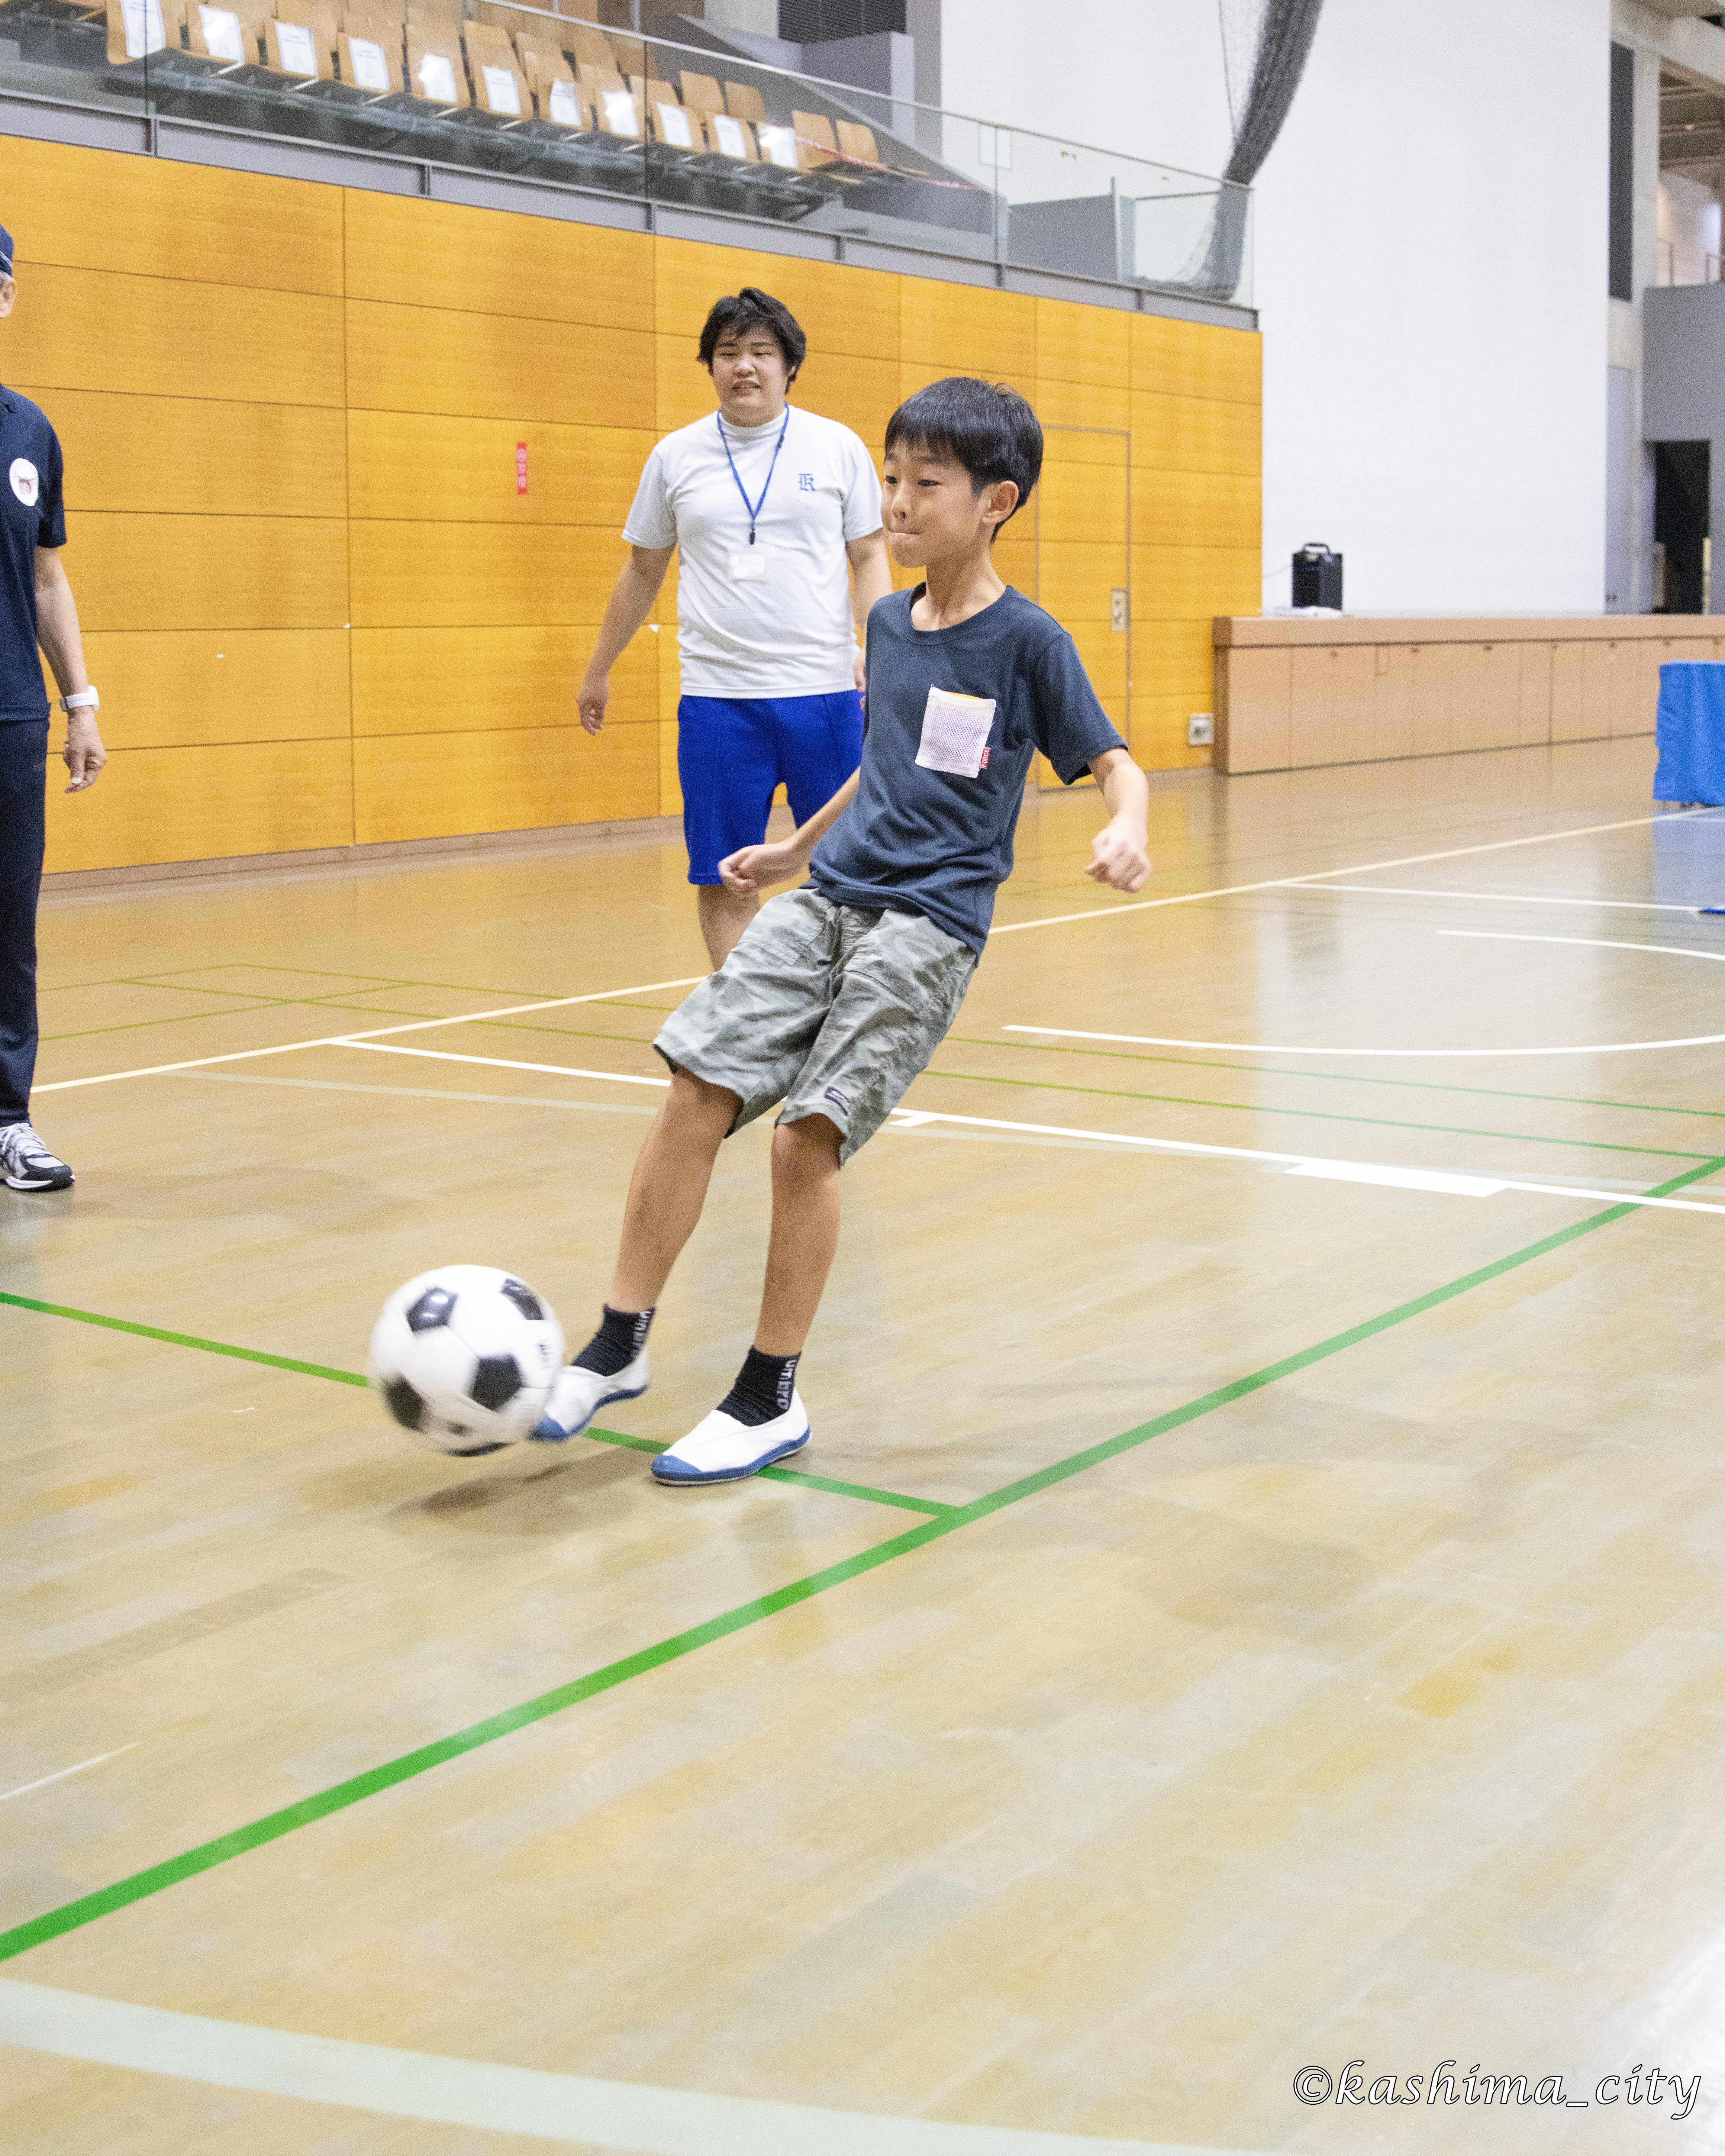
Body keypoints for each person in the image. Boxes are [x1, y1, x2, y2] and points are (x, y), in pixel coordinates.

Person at [535, 376, 1152, 1485]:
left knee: (801, 1136)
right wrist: (790, 853)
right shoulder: (888, 623)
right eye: (893, 476)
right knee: (694, 1083)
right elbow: (885, 765)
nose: (898, 503)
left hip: (928, 924)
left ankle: (767, 1396)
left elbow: (1115, 762)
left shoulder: (1030, 641)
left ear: (997, 500)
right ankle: (621, 1340)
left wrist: (1129, 828)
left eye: (927, 484)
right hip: (830, 896)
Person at [578, 287, 891, 969]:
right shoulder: (675, 457)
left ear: (789, 367)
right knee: (725, 872)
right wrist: (599, 668)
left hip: (827, 692)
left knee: (847, 866)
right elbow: (642, 571)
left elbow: (869, 557)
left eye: (760, 353)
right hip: (719, 701)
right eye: (727, 354)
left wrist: (881, 654)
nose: (743, 367)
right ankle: (744, 1022)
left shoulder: (837, 447)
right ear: (710, 366)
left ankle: (837, 1008)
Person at [0, 222, 104, 1195]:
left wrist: (79, 700)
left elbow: (45, 579)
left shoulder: (30, 431)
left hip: (10, 715)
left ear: (7, 297)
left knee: (8, 926)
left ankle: (7, 1119)